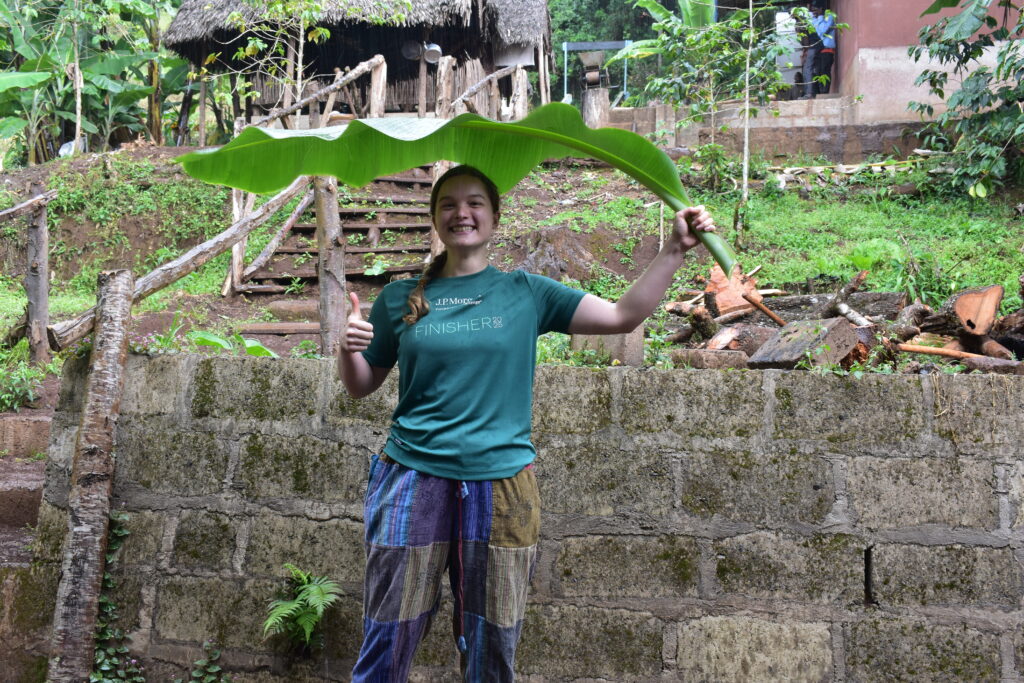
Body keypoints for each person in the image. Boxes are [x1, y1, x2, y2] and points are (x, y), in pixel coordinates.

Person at [339, 164, 716, 681]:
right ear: (434, 219)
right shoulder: (399, 298)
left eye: (474, 203)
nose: (461, 213)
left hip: (501, 486)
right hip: (411, 477)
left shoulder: (527, 292)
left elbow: (621, 317)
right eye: (448, 204)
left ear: (494, 217)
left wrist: (674, 252)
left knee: (491, 639)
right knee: (389, 631)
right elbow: (362, 384)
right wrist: (348, 349)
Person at [812, 1, 837, 94]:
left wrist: (820, 17)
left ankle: (825, 92)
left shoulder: (829, 16)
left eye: (815, 9)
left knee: (825, 71)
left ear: (821, 9)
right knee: (818, 72)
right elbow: (818, 32)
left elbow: (822, 31)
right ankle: (821, 91)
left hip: (827, 50)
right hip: (818, 50)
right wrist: (819, 18)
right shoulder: (816, 20)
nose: (814, 12)